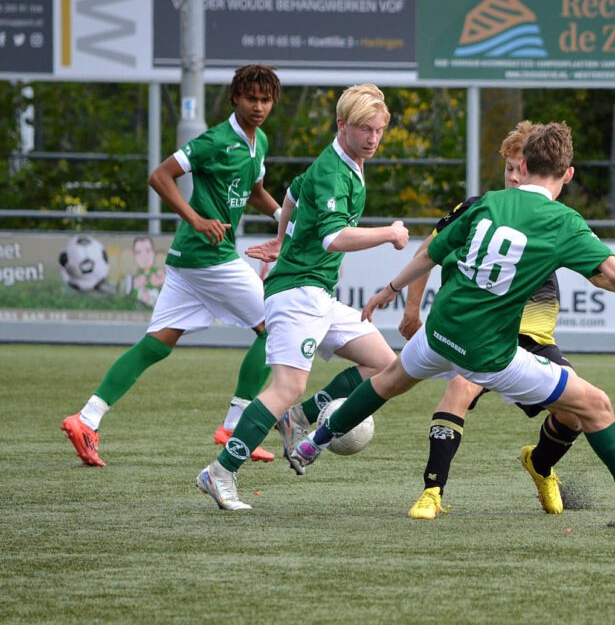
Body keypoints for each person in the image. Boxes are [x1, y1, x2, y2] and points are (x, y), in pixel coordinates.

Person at [290, 121, 615, 529]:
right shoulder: (562, 221)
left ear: (526, 165)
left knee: (388, 381)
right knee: (596, 405)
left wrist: (390, 289)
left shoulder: (486, 203)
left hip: (440, 332)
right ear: (568, 174)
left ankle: (314, 442)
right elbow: (612, 272)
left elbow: (430, 253)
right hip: (488, 354)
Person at [398, 121, 615, 520]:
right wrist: (411, 310)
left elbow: (600, 273)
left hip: (534, 337)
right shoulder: (483, 208)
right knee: (460, 387)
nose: (515, 177)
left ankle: (540, 464)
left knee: (575, 413)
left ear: (533, 168)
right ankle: (432, 491)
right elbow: (428, 251)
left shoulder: (550, 219)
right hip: (484, 335)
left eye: (520, 169)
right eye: (509, 169)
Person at [195, 83, 409, 510]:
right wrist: (389, 233)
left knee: (385, 365)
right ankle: (220, 471)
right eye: (365, 129)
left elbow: (292, 192)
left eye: (379, 130)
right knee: (286, 386)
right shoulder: (333, 170)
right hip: (296, 294)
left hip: (318, 294)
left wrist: (281, 238)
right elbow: (333, 238)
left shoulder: (344, 162)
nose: (373, 138)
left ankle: (299, 417)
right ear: (342, 125)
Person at [61, 64, 284, 467]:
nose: (259, 106)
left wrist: (285, 218)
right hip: (209, 257)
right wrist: (195, 219)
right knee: (274, 327)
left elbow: (255, 192)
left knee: (156, 344)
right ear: (235, 97)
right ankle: (235, 427)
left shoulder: (259, 141)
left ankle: (86, 418)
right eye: (251, 98)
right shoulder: (214, 141)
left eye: (265, 100)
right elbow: (160, 175)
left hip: (187, 261)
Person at [124, 236, 165, 308]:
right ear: (134, 256)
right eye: (138, 252)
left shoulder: (159, 273)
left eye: (148, 250)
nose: (144, 256)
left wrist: (158, 281)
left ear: (154, 252)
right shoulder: (133, 278)